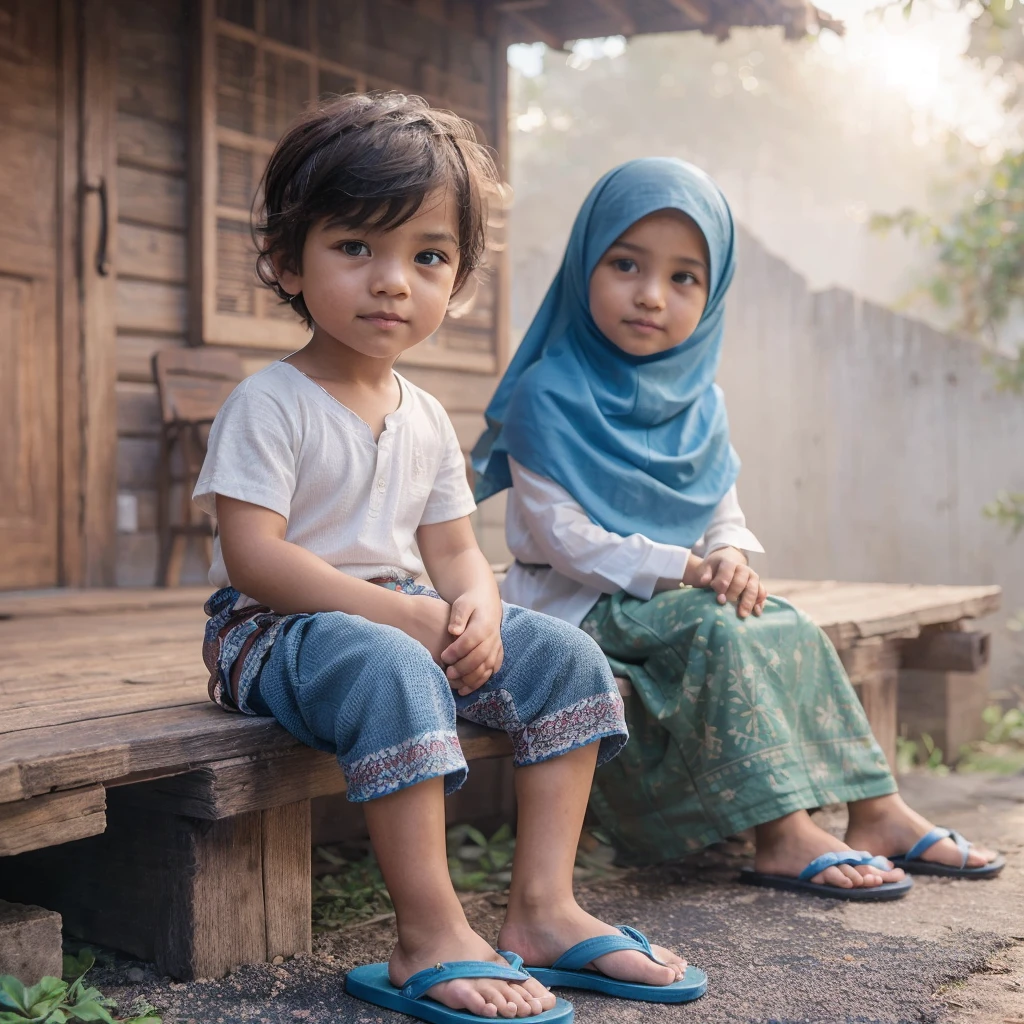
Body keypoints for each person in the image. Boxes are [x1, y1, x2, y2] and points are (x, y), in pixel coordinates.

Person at [195, 96, 707, 1024]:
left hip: (400, 615)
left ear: (458, 279)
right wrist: (412, 616)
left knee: (563, 654)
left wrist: (470, 604)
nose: (393, 281)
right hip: (272, 634)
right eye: (356, 247)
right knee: (392, 661)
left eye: (427, 257)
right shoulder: (269, 404)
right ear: (285, 260)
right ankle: (427, 932)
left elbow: (456, 551)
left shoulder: (426, 416)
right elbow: (254, 559)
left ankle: (545, 911)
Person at [472, 157, 1004, 901]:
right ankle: (782, 833)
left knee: (785, 621)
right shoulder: (546, 391)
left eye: (684, 277)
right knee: (716, 630)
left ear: (713, 292)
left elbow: (719, 498)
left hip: (667, 592)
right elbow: (563, 537)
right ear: (584, 263)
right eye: (625, 264)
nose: (651, 295)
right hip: (573, 600)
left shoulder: (700, 396)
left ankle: (876, 808)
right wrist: (684, 567)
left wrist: (727, 552)